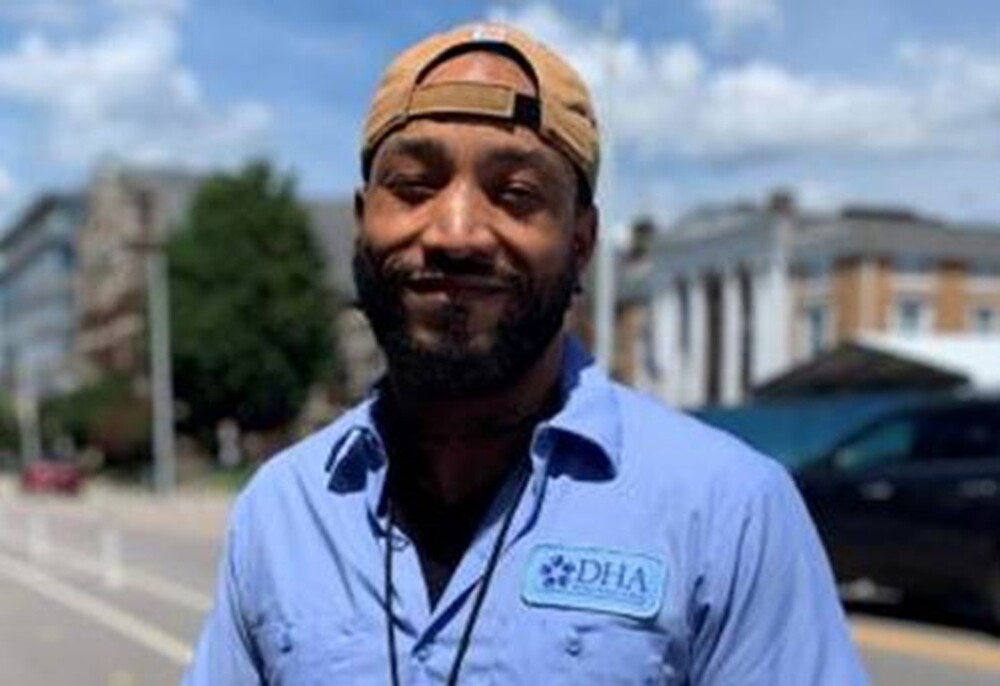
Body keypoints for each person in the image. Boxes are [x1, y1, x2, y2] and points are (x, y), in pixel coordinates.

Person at [185, 22, 868, 686]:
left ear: (582, 240)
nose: (456, 233)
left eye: (516, 194)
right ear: (365, 223)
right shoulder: (281, 510)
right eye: (415, 187)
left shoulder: (728, 513)